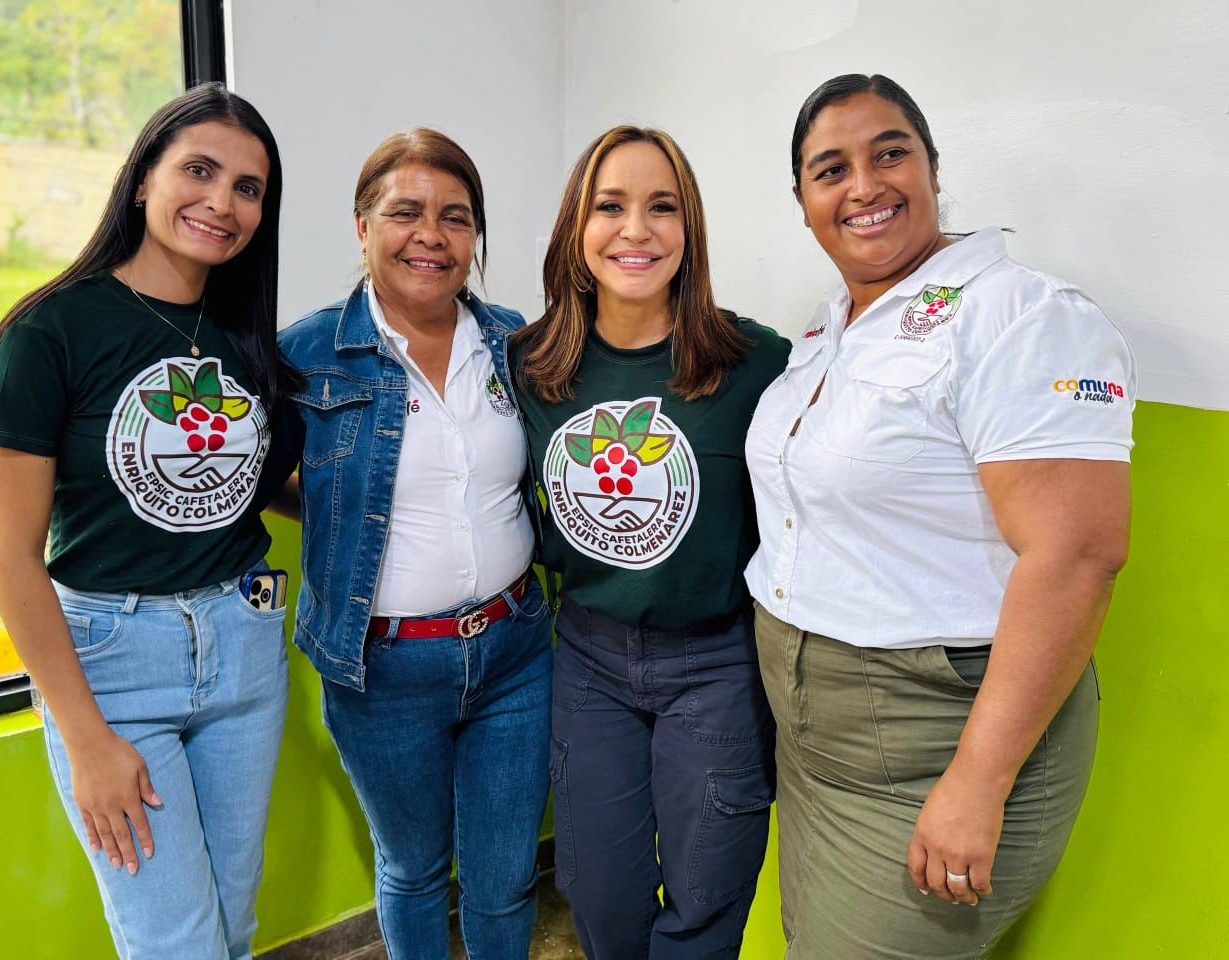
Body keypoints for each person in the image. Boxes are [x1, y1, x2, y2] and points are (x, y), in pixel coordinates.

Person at [746, 73, 1135, 958]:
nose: (865, 185)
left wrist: (977, 781)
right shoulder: (834, 326)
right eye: (830, 169)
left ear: (930, 166)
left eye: (890, 154)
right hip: (816, 743)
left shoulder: (1019, 315)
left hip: (937, 737)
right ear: (803, 201)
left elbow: (1077, 554)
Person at [0, 83, 302, 959]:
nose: (222, 202)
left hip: (245, 642)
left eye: (248, 188)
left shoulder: (242, 335)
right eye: (199, 171)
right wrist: (85, 737)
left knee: (231, 926)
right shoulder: (51, 332)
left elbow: (251, 483)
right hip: (113, 664)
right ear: (143, 179)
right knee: (177, 945)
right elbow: (10, 555)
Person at [265, 128, 552, 960]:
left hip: (514, 653)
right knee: (415, 870)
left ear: (475, 238)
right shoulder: (306, 354)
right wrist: (344, 518)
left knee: (504, 878)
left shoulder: (513, 342)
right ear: (362, 227)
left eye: (455, 217)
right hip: (379, 668)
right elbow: (257, 477)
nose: (431, 235)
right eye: (405, 213)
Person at [510, 126, 790, 959]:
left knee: (706, 902)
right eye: (610, 206)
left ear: (689, 228)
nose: (636, 229)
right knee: (599, 894)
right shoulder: (529, 364)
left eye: (661, 207)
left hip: (716, 662)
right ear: (577, 227)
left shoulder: (755, 362)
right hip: (587, 658)